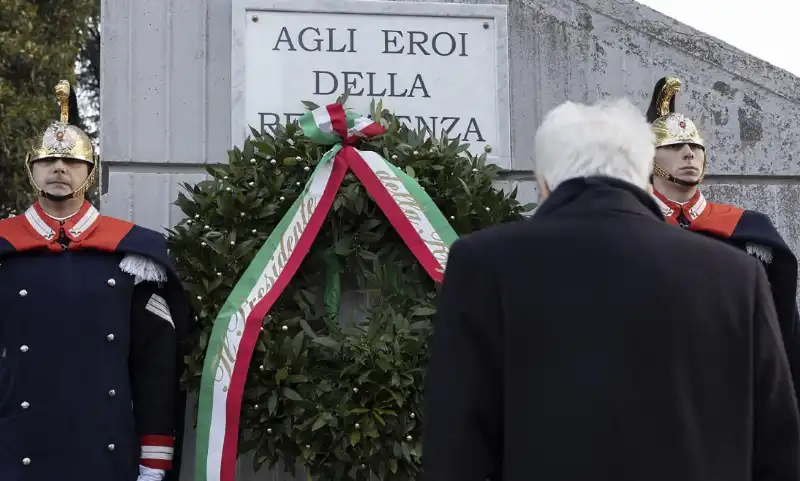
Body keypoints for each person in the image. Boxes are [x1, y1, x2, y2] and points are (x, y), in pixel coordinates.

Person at [420, 98, 800, 481]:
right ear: (643, 177)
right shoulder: (737, 275)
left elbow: (457, 446)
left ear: (544, 184)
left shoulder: (483, 263)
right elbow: (777, 449)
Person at [0, 80, 191, 481]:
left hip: (106, 455)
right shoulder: (4, 249)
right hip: (14, 451)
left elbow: (155, 369)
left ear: (89, 170)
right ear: (30, 169)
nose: (59, 168)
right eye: (49, 159)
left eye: (71, 162)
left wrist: (154, 465)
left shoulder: (133, 255)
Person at [646, 76, 800, 400]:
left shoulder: (749, 229)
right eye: (674, 146)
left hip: (734, 388)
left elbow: (782, 324)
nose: (688, 154)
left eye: (695, 146)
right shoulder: (630, 229)